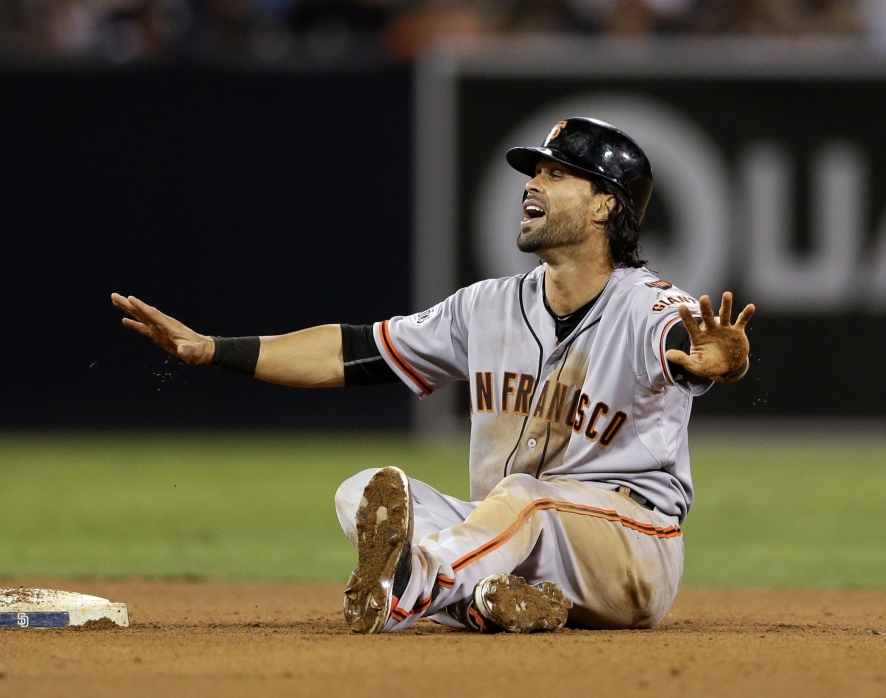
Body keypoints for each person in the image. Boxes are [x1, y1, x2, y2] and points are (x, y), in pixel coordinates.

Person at [111, 116, 754, 635]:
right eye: (534, 171)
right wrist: (213, 349)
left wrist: (722, 361)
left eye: (557, 175)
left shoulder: (650, 305)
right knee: (362, 491)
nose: (532, 185)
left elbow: (692, 349)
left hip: (629, 550)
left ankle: (413, 588)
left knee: (524, 496)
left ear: (603, 208)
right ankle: (486, 602)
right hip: (515, 541)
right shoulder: (488, 305)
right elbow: (353, 352)